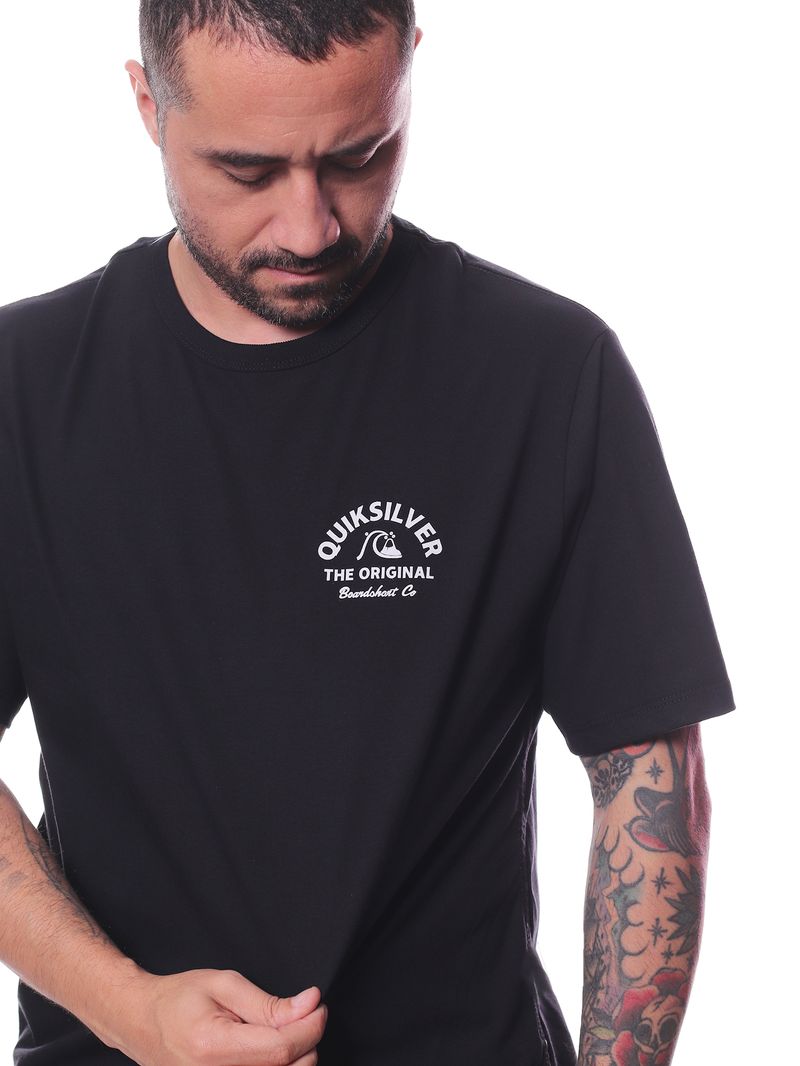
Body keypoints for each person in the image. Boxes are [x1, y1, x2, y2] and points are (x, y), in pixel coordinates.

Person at [0, 2, 736, 1064]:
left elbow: (647, 780)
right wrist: (131, 1010)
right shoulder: (22, 390)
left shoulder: (544, 373)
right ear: (147, 104)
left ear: (407, 74)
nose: (309, 229)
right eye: (248, 171)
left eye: (359, 155)